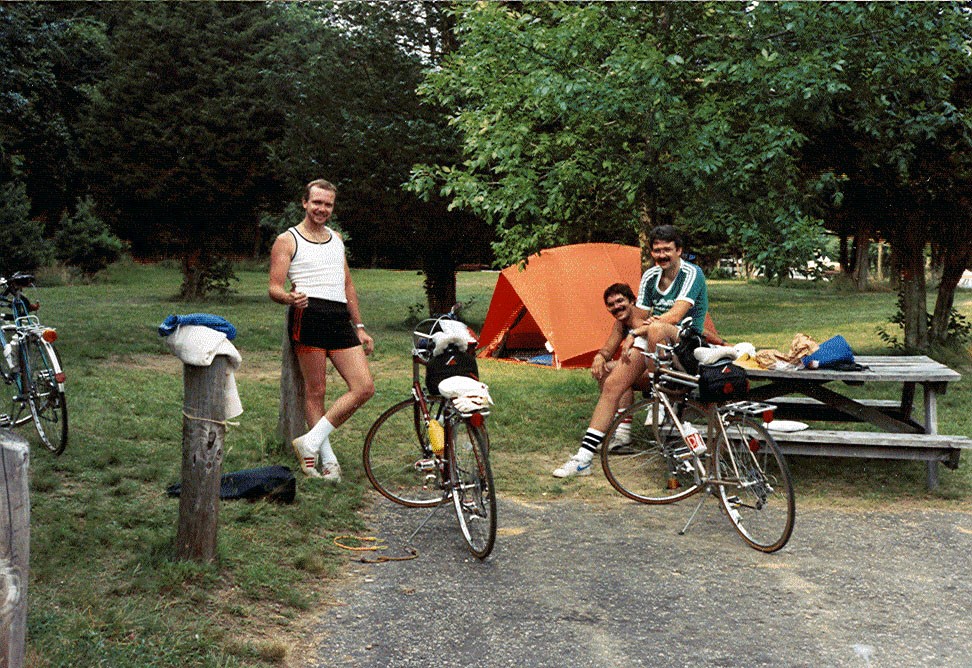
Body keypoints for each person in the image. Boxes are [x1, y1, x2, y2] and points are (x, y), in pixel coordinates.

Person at [553, 225, 708, 478]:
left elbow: (676, 315)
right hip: (655, 339)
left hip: (687, 342)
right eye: (657, 250)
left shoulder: (692, 273)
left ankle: (662, 396)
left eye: (667, 250)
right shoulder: (650, 277)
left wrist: (635, 334)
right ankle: (583, 457)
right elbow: (643, 315)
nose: (662, 255)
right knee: (613, 384)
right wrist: (622, 335)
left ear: (678, 250)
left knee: (657, 328)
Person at [269, 179, 375, 481]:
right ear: (305, 202)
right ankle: (327, 461)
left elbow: (347, 284)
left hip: (339, 318)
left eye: (328, 204)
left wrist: (360, 326)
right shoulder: (287, 240)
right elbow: (274, 288)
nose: (322, 209)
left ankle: (310, 442)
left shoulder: (336, 238)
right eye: (317, 202)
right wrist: (290, 297)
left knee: (364, 387)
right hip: (309, 316)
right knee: (316, 391)